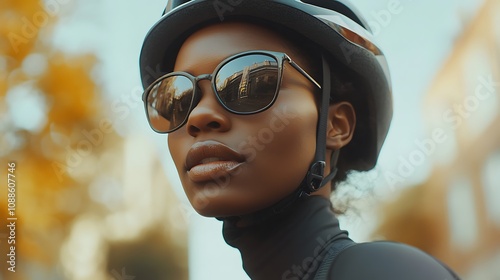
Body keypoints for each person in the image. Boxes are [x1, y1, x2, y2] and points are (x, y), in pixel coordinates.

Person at [139, 0, 461, 279]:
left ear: (336, 125)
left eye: (255, 83)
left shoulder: (386, 272)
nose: (197, 117)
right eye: (177, 100)